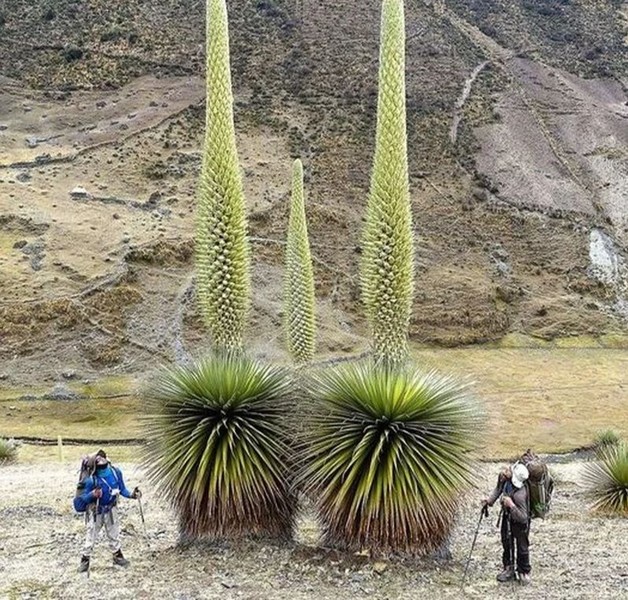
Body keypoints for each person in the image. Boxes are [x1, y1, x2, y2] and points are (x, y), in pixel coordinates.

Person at [73, 449, 142, 573]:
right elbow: (81, 499)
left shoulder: (116, 473)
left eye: (102, 458)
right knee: (91, 536)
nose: (101, 460)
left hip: (111, 509)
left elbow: (122, 489)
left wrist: (132, 495)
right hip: (96, 512)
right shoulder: (91, 479)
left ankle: (117, 556)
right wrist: (92, 495)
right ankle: (85, 559)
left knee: (114, 534)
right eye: (98, 459)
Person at [482, 462, 531, 585]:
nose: (507, 470)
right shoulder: (505, 478)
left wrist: (512, 505)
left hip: (519, 523)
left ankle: (523, 571)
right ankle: (508, 568)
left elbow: (523, 518)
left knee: (522, 546)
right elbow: (498, 489)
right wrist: (489, 501)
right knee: (507, 542)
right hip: (506, 517)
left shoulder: (521, 494)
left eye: (510, 470)